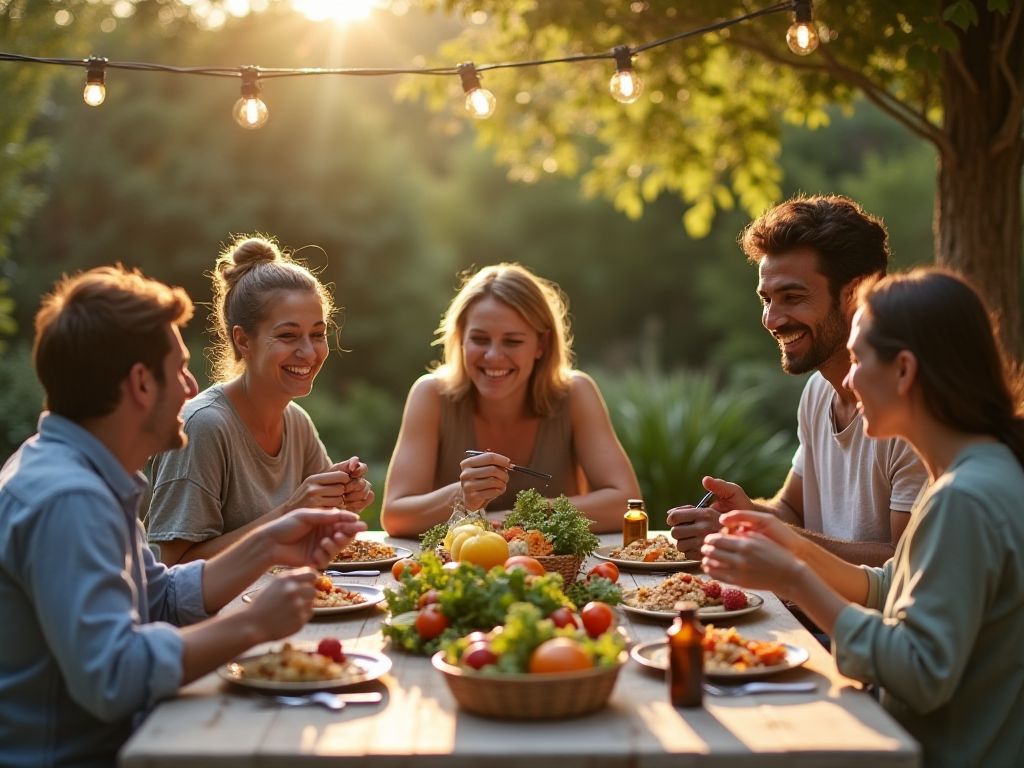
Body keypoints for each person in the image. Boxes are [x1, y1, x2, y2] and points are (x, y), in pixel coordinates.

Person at [0, 265, 366, 768]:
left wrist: (272, 544)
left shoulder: (87, 474)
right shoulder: (69, 499)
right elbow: (113, 677)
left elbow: (160, 598)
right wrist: (253, 624)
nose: (191, 388)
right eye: (179, 369)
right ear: (140, 384)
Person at [701, 269, 1024, 768]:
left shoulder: (964, 499)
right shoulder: (980, 472)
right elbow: (885, 589)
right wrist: (788, 542)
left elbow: (920, 672)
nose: (846, 380)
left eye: (856, 359)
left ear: (904, 371)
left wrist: (793, 579)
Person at [668, 195, 927, 566]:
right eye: (766, 300)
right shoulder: (819, 390)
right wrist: (738, 518)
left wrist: (761, 533)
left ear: (856, 293)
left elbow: (903, 566)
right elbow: (791, 508)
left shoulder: (910, 408)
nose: (772, 320)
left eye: (792, 297)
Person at [146, 235, 373, 564]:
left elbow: (314, 527)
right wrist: (291, 511)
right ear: (243, 340)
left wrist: (342, 496)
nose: (309, 352)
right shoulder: (203, 427)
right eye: (287, 335)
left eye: (318, 334)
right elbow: (169, 569)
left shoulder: (296, 422)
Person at [381, 263, 640, 536]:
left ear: (541, 344)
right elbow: (396, 517)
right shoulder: (430, 394)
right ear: (460, 340)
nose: (493, 356)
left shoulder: (576, 393)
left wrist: (523, 515)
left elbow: (626, 504)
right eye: (479, 339)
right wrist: (463, 495)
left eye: (512, 341)